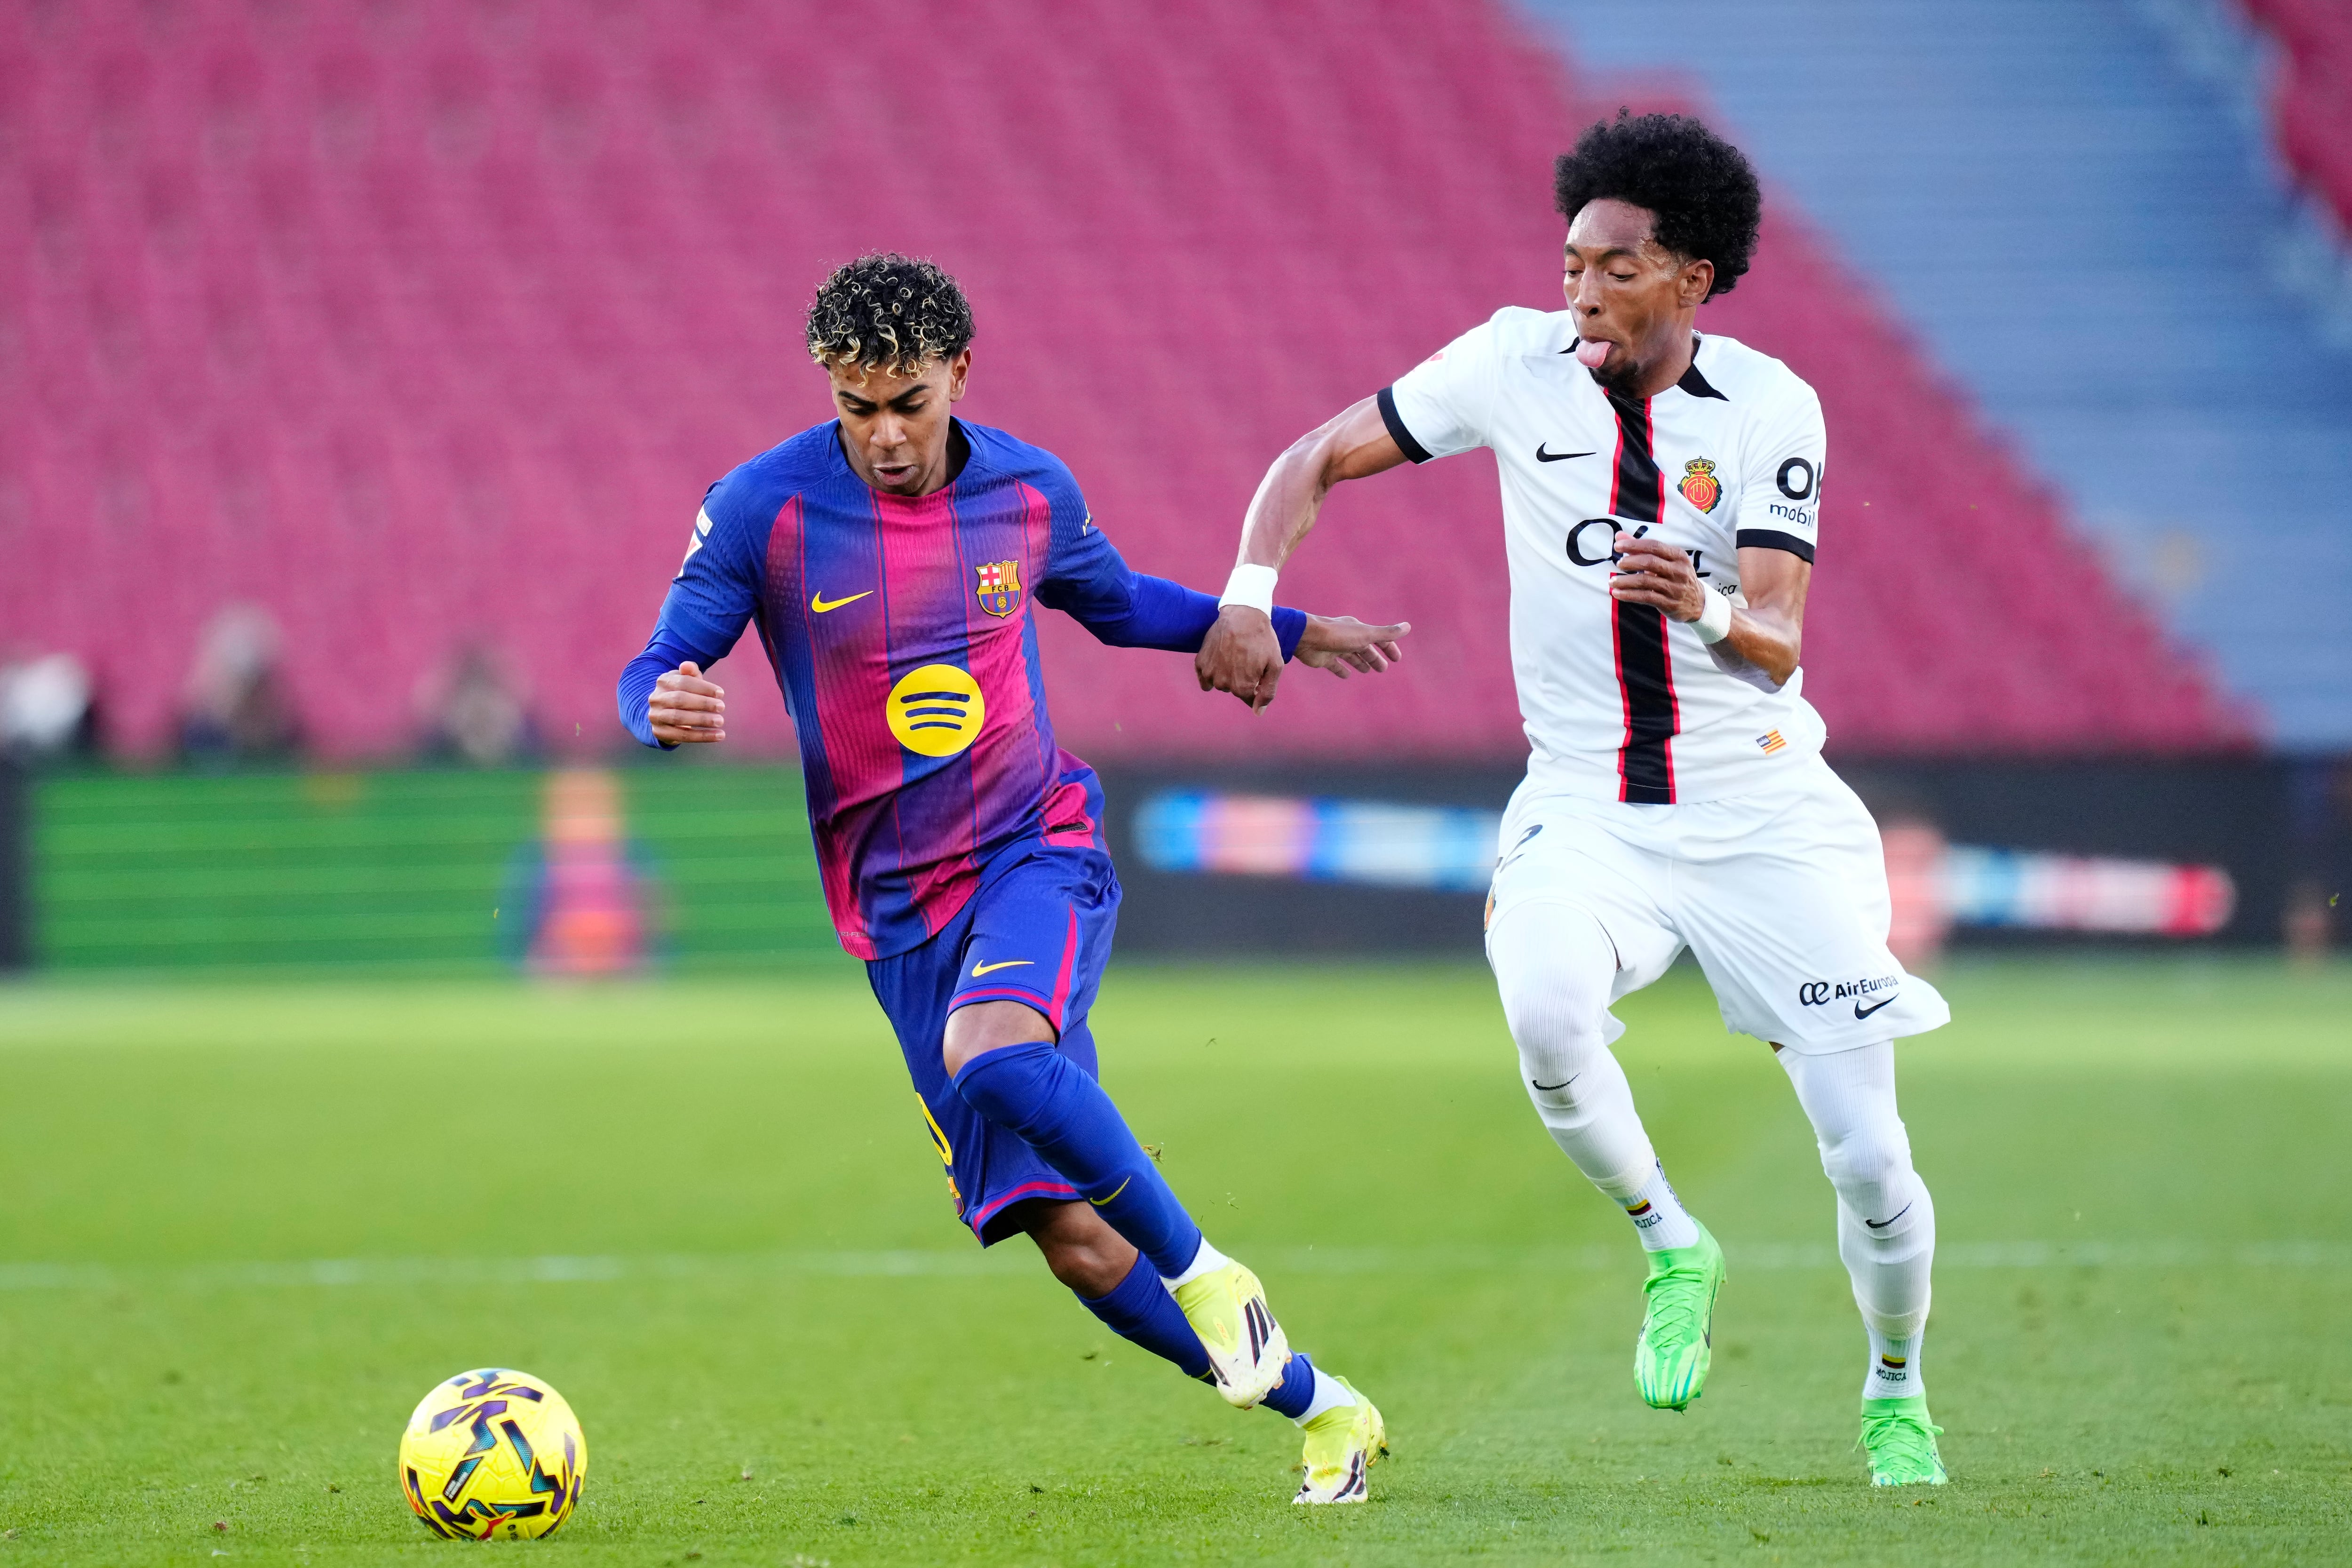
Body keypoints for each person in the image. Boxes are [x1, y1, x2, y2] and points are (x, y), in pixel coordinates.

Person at [1196, 113, 1951, 1488]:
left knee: (1872, 1164)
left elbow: (1781, 638)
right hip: (1588, 806)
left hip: (1764, 814)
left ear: (1694, 281)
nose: (1581, 291)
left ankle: (1895, 1392)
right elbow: (1311, 457)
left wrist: (1705, 599)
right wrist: (1251, 595)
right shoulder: (1509, 363)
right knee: (1544, 1014)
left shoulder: (1774, 409)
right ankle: (1674, 1242)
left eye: (1616, 267)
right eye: (1571, 263)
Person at [617, 254, 1408, 1504]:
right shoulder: (763, 505)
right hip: (896, 918)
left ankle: (1211, 1274)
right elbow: (661, 656)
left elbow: (1119, 601)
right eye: (857, 405)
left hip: (1036, 848)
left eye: (908, 403)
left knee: (996, 1049)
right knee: (1082, 1246)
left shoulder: (1031, 493)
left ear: (959, 377)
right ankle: (1326, 1410)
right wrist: (655, 704)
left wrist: (1286, 629)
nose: (883, 433)